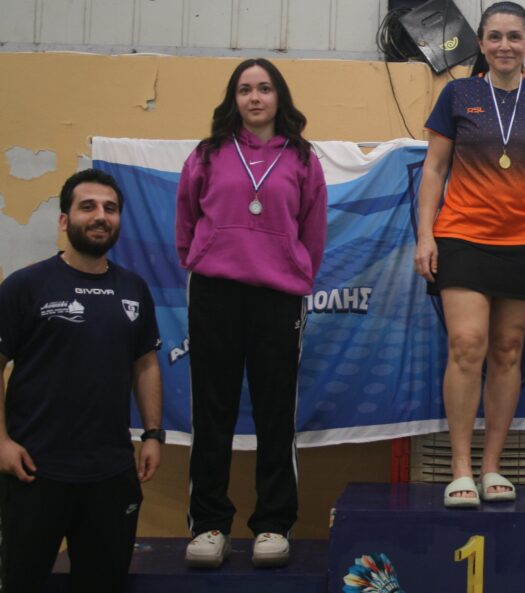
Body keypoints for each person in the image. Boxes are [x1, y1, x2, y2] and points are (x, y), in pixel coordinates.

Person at [413, 1, 525, 508]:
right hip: (462, 236)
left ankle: (491, 465)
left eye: (514, 37)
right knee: (467, 344)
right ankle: (461, 468)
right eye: (495, 37)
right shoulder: (457, 94)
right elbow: (434, 169)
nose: (504, 46)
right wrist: (425, 236)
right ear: (482, 44)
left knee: (508, 350)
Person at [176, 57, 326, 568]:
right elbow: (186, 220)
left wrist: (295, 272)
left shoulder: (302, 158)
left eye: (264, 88)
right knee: (212, 411)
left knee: (275, 412)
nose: (255, 97)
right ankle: (209, 524)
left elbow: (313, 232)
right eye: (245, 89)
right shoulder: (208, 154)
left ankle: (273, 525)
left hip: (278, 297)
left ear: (279, 97)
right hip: (216, 291)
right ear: (233, 99)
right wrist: (203, 259)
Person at [0, 169, 164, 593]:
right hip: (35, 471)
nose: (100, 216)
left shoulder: (133, 288)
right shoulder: (25, 286)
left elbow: (145, 363)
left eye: (110, 208)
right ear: (63, 219)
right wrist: (1, 442)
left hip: (111, 473)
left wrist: (152, 434)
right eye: (87, 206)